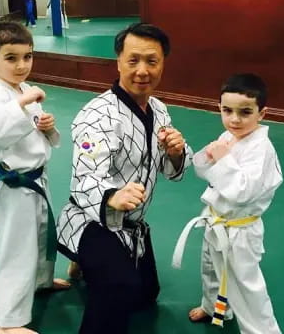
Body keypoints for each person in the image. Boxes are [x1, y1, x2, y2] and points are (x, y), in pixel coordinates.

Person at [56, 23, 193, 334]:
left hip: (132, 226)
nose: (142, 70)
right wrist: (111, 197)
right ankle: (84, 255)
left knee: (145, 294)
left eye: (152, 61)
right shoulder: (97, 115)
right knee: (118, 288)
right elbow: (85, 176)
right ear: (118, 61)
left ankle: (87, 266)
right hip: (93, 219)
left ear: (163, 64)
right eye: (133, 61)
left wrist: (175, 152)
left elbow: (171, 170)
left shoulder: (158, 109)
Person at [0, 21, 70, 334]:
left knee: (43, 236)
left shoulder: (25, 89)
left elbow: (39, 132)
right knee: (17, 250)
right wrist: (22, 104)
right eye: (11, 58)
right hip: (15, 184)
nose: (21, 65)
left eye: (27, 57)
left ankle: (41, 281)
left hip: (38, 178)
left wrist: (47, 126)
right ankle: (9, 322)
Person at [172, 73, 283, 333]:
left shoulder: (261, 149)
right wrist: (212, 156)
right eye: (227, 110)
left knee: (246, 287)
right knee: (210, 268)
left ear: (262, 113)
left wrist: (222, 160)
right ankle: (213, 307)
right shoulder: (229, 136)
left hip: (240, 229)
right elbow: (205, 171)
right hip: (216, 220)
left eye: (245, 112)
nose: (234, 119)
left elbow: (243, 191)